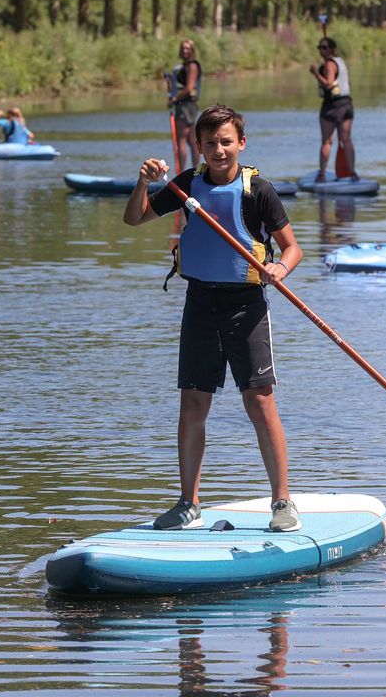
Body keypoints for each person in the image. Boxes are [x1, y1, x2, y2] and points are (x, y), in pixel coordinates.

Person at [123, 104, 305, 533]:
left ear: (241, 143)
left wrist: (280, 269)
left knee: (259, 402)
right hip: (200, 303)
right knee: (193, 403)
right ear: (199, 147)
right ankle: (189, 504)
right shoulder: (186, 185)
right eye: (210, 144)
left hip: (246, 306)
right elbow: (135, 218)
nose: (219, 150)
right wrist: (142, 183)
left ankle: (282, 503)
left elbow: (292, 247)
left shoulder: (259, 191)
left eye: (226, 142)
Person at [308, 37, 357, 182]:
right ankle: (353, 172)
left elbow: (329, 84)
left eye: (324, 47)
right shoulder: (340, 62)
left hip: (332, 106)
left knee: (327, 141)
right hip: (346, 104)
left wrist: (316, 73)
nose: (321, 50)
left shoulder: (329, 64)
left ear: (331, 49)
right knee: (346, 139)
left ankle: (322, 174)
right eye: (320, 47)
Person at [168, 39, 202, 172]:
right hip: (188, 105)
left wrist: (174, 100)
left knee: (181, 140)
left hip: (185, 106)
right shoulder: (185, 66)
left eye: (187, 48)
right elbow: (180, 86)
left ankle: (181, 173)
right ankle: (195, 171)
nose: (184, 51)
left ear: (192, 50)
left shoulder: (192, 66)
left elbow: (189, 88)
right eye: (183, 48)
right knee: (191, 140)